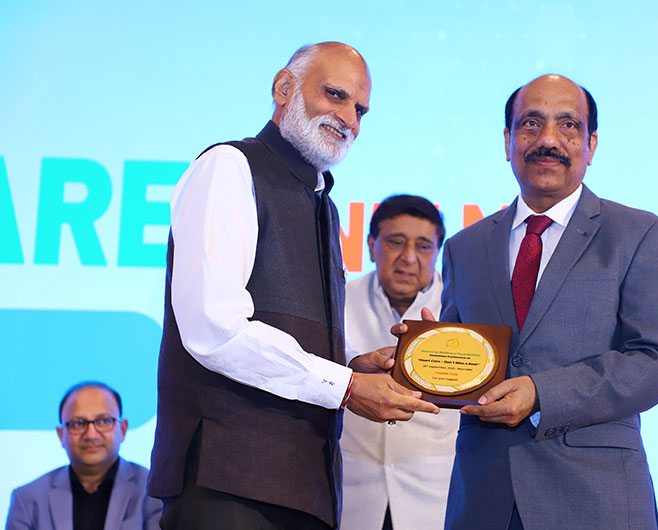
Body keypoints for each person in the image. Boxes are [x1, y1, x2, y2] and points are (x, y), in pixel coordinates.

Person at [147, 42, 438, 530]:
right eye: (335, 95)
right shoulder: (230, 167)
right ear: (284, 88)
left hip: (306, 492)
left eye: (360, 110)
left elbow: (282, 338)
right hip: (227, 485)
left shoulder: (322, 202)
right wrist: (346, 387)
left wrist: (350, 367)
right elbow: (214, 329)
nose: (348, 118)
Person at [437, 74, 658, 529]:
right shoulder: (463, 247)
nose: (548, 140)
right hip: (483, 501)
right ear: (508, 140)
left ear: (591, 145)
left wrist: (541, 393)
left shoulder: (642, 235)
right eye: (530, 123)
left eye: (568, 125)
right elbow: (466, 368)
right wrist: (416, 361)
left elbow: (655, 362)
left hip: (595, 499)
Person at [340, 195, 459, 530]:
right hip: (352, 492)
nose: (408, 257)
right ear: (371, 245)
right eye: (395, 242)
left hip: (434, 494)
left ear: (438, 252)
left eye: (423, 246)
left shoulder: (460, 308)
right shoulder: (338, 299)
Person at [5, 382, 161, 530]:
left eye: (104, 421)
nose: (91, 435)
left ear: (123, 429)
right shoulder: (27, 499)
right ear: (61, 434)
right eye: (77, 424)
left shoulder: (153, 491)